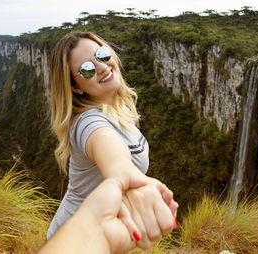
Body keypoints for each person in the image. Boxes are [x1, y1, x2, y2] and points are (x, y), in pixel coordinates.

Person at [47, 31, 178, 249]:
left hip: (102, 237)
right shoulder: (87, 122)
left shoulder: (117, 110)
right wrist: (130, 178)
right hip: (73, 241)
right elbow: (112, 154)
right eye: (86, 69)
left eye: (101, 54)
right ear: (76, 87)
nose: (101, 66)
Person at [38, 177, 177, 254]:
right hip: (71, 232)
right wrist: (144, 183)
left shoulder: (128, 125)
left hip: (92, 234)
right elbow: (117, 161)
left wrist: (103, 233)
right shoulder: (89, 124)